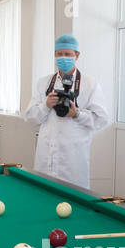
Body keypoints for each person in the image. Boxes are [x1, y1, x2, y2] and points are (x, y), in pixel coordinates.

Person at [21, 34, 110, 188]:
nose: (63, 58)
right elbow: (29, 118)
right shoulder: (44, 83)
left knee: (74, 202)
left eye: (68, 54)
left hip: (73, 161)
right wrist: (45, 106)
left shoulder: (90, 84)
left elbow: (102, 119)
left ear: (77, 55)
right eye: (59, 54)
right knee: (43, 196)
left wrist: (77, 114)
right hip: (46, 157)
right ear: (55, 55)